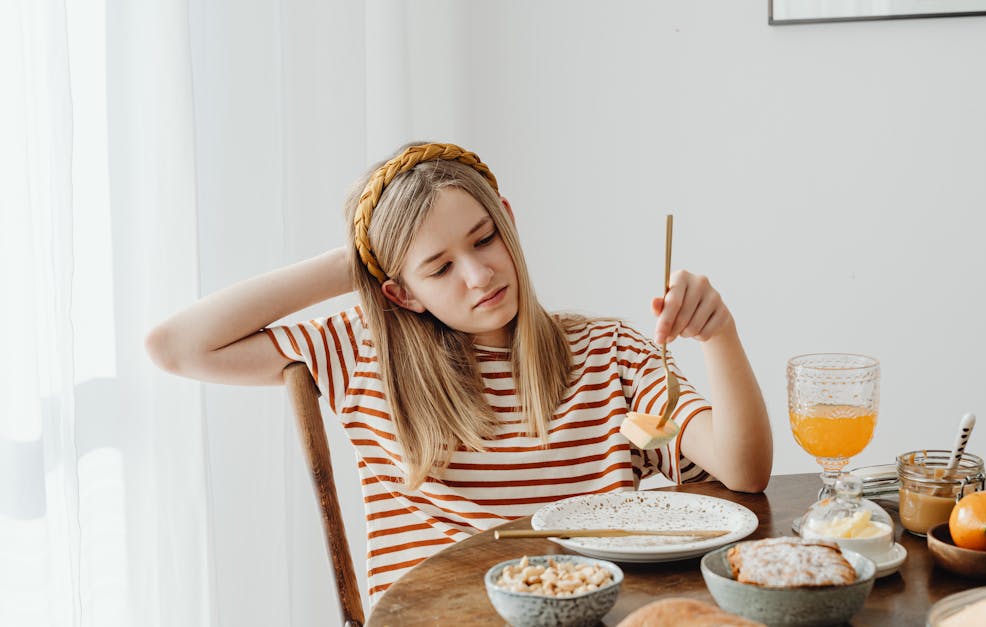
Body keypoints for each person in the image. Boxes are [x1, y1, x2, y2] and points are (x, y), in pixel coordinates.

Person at [145, 142, 772, 603]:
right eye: (438, 267)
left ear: (507, 219)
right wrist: (356, 261)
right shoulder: (365, 357)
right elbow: (175, 346)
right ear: (400, 294)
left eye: (483, 239)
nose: (478, 275)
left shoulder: (610, 352)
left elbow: (744, 471)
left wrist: (719, 336)